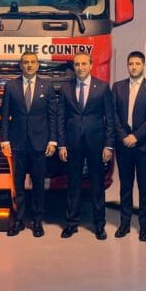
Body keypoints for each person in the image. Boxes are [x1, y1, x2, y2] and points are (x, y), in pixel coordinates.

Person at [0, 51, 57, 238]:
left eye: (33, 62)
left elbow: (52, 116)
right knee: (18, 185)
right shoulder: (11, 86)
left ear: (37, 65)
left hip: (40, 144)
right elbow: (4, 116)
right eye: (26, 62)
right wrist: (4, 140)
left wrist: (53, 140)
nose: (29, 65)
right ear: (21, 65)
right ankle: (18, 220)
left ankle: (37, 220)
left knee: (39, 185)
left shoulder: (47, 86)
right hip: (17, 144)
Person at [58, 53, 114, 240]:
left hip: (96, 143)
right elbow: (61, 118)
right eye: (77, 64)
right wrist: (61, 144)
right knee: (73, 185)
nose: (80, 67)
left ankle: (99, 225)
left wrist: (109, 145)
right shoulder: (66, 88)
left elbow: (110, 118)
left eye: (83, 64)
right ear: (73, 67)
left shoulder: (102, 87)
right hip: (72, 143)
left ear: (91, 65)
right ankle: (71, 224)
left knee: (97, 185)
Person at [112, 51, 146, 241]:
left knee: (144, 187)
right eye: (130, 63)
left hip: (144, 146)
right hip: (123, 145)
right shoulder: (117, 87)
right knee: (125, 186)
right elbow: (113, 114)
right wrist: (124, 136)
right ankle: (124, 224)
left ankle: (143, 227)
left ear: (144, 65)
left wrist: (136, 136)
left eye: (137, 64)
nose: (133, 67)